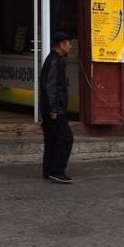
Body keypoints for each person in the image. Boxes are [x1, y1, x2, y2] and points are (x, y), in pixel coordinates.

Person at [40, 31, 74, 183]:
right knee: (66, 138)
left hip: (49, 108)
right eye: (69, 44)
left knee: (52, 139)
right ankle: (57, 170)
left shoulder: (54, 59)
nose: (70, 47)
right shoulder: (55, 61)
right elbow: (51, 87)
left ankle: (48, 170)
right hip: (55, 109)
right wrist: (53, 109)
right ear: (62, 44)